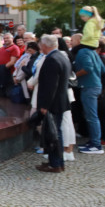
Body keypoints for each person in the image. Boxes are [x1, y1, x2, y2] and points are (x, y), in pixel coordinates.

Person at [34, 35, 71, 172]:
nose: (39, 47)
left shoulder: (52, 60)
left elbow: (50, 86)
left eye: (40, 45)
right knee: (54, 133)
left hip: (53, 104)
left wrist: (45, 106)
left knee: (54, 134)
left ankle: (55, 164)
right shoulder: (61, 57)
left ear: (45, 45)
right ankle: (55, 161)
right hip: (59, 101)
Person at [71, 33, 104, 154]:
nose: (71, 42)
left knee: (91, 117)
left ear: (79, 40)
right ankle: (93, 141)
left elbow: (88, 68)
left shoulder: (83, 52)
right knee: (91, 116)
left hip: (89, 87)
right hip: (94, 85)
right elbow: (102, 69)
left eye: (73, 40)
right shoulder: (92, 52)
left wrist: (73, 76)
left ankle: (96, 145)